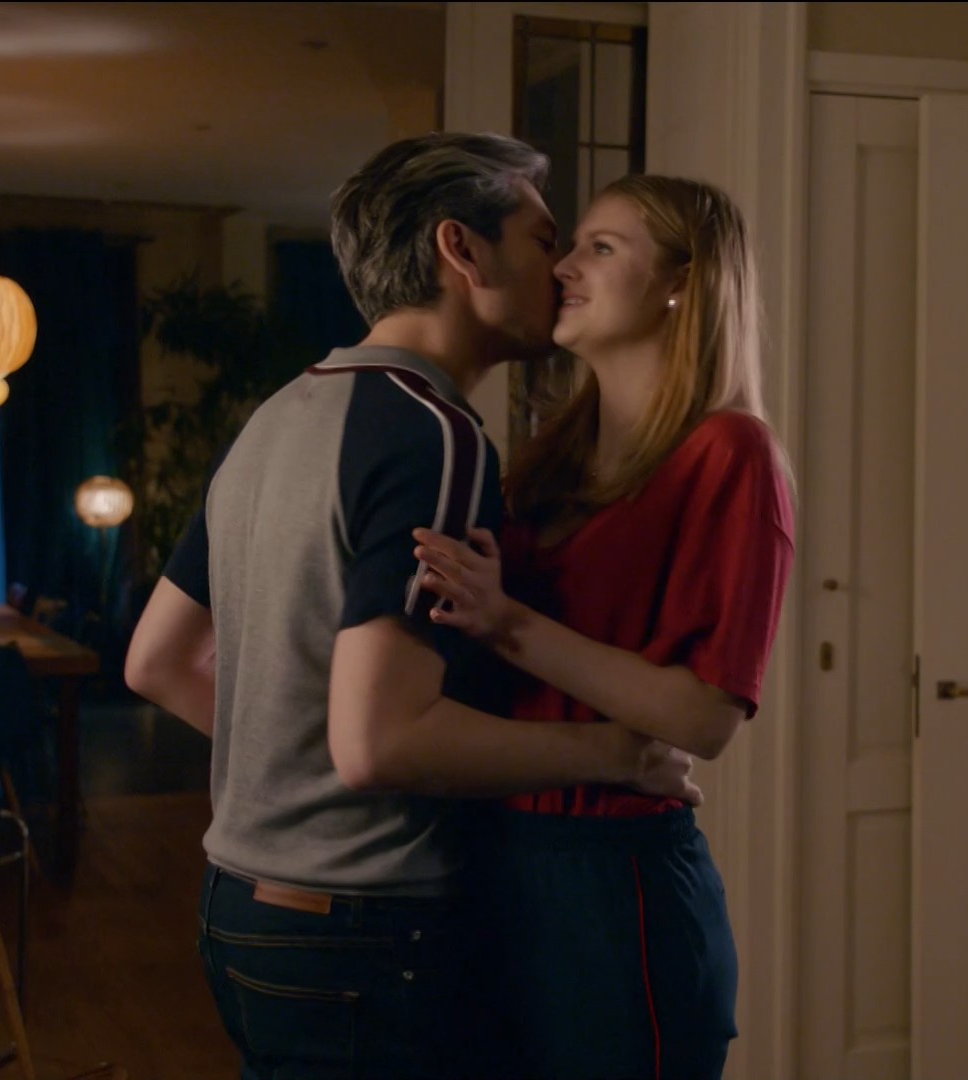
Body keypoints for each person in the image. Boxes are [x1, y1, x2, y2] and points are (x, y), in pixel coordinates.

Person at [123, 134, 702, 1080]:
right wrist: (619, 755)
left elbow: (158, 662)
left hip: (239, 913)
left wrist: (306, 766)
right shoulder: (435, 434)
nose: (560, 266)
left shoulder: (278, 416)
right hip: (365, 932)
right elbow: (381, 744)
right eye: (540, 237)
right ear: (460, 250)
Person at [408, 174, 795, 1080]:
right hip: (494, 856)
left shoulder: (731, 453)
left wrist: (507, 622)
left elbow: (704, 717)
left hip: (614, 882)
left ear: (681, 286)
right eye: (571, 244)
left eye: (602, 248)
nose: (564, 267)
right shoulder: (548, 457)